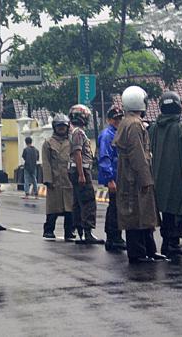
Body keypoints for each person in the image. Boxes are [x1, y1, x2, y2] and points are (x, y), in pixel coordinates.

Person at [113, 86, 165, 264]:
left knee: (144, 215)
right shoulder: (134, 124)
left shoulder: (127, 122)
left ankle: (149, 250)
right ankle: (138, 253)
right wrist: (145, 179)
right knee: (136, 214)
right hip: (134, 177)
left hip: (131, 175)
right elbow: (138, 154)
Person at [149, 90, 182, 257]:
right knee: (178, 209)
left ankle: (168, 242)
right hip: (178, 178)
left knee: (166, 211)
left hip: (157, 178)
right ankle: (172, 242)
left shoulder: (153, 128)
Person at [68, 104, 104, 245]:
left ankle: (81, 232)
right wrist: (82, 174)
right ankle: (87, 232)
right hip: (81, 170)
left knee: (78, 202)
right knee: (88, 201)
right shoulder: (78, 133)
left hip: (77, 170)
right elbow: (77, 153)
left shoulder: (74, 131)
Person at [41, 114, 75, 241]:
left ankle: (69, 232)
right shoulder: (48, 143)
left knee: (69, 209)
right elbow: (46, 162)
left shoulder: (71, 142)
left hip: (68, 179)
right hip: (54, 180)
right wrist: (48, 180)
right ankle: (49, 230)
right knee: (53, 208)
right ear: (55, 127)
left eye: (64, 126)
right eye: (59, 126)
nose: (62, 128)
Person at [98, 105, 126, 252]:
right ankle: (113, 237)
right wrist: (110, 179)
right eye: (115, 119)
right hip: (113, 177)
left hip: (119, 176)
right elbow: (105, 157)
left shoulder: (118, 133)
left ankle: (115, 236)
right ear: (109, 120)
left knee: (117, 207)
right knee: (115, 208)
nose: (118, 121)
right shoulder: (107, 135)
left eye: (120, 118)